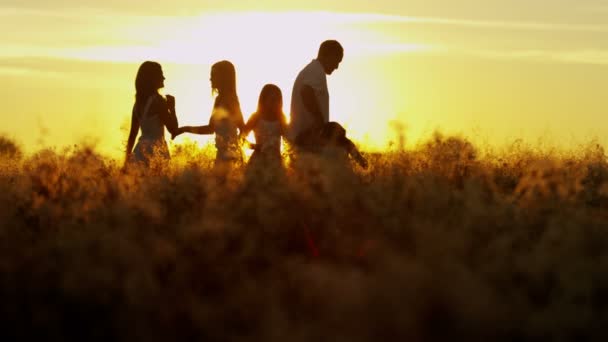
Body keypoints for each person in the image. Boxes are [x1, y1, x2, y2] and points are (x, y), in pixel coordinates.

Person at [288, 40, 367, 168]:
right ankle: (366, 171)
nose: (337, 66)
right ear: (328, 55)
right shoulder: (316, 71)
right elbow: (305, 91)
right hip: (307, 136)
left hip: (308, 135)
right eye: (337, 61)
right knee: (341, 144)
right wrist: (318, 119)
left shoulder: (313, 70)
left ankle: (365, 168)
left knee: (343, 141)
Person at [173, 61, 245, 168]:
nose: (210, 79)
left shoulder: (231, 100)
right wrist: (185, 129)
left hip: (230, 156)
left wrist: (234, 147)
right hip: (222, 154)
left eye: (213, 75)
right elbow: (211, 129)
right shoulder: (219, 99)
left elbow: (243, 129)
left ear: (223, 77)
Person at [126, 61, 179, 166]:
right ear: (153, 78)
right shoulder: (158, 101)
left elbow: (132, 135)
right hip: (156, 150)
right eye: (160, 74)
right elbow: (173, 130)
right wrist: (172, 108)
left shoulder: (138, 103)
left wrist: (126, 161)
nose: (164, 78)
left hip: (139, 151)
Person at [240, 84, 288, 169]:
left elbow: (289, 139)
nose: (276, 103)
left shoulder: (281, 118)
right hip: (258, 162)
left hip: (276, 162)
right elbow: (241, 139)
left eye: (278, 100)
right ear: (264, 100)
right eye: (273, 100)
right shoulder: (256, 117)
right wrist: (255, 146)